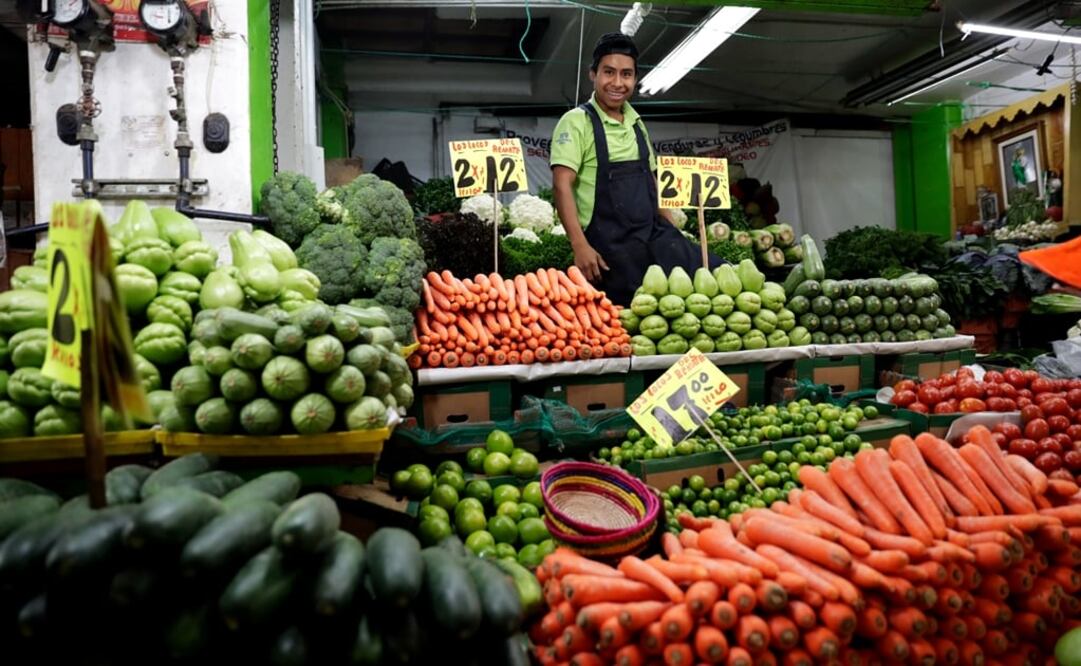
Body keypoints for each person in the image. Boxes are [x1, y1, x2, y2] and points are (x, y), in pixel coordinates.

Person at [549, 32, 721, 306]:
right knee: (643, 311)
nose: (617, 83)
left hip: (652, 234)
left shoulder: (636, 122)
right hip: (611, 249)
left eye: (626, 74)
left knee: (716, 274)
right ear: (593, 74)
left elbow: (652, 179)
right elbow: (561, 184)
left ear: (635, 79)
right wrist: (579, 246)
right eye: (609, 72)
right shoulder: (576, 121)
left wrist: (673, 229)